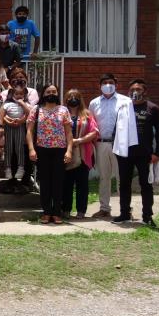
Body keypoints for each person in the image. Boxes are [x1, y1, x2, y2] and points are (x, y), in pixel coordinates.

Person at [114, 79, 159, 225]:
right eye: (132, 90)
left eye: (138, 89)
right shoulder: (124, 107)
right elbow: (117, 129)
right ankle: (124, 213)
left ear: (145, 92)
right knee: (124, 184)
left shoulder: (153, 108)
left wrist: (157, 153)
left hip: (144, 154)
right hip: (125, 153)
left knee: (146, 185)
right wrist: (116, 148)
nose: (135, 92)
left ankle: (147, 215)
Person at [88, 74, 138, 218]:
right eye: (104, 82)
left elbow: (130, 124)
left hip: (120, 144)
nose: (108, 85)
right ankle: (104, 208)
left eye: (111, 82)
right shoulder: (94, 103)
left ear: (116, 84)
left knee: (123, 176)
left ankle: (125, 209)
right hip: (101, 143)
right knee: (104, 177)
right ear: (100, 85)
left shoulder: (125, 101)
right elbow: (92, 124)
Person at [26, 84, 73, 224]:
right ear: (43, 94)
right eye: (48, 92)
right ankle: (46, 212)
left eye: (54, 91)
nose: (51, 93)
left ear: (58, 93)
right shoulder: (36, 109)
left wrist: (69, 150)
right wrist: (31, 149)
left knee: (58, 182)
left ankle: (57, 212)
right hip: (42, 150)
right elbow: (29, 131)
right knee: (45, 182)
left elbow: (69, 133)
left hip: (60, 150)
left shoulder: (63, 110)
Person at [61, 89, 98, 220]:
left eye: (75, 97)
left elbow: (94, 131)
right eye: (70, 97)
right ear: (66, 99)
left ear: (80, 99)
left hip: (83, 153)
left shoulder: (86, 114)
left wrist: (79, 140)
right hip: (67, 153)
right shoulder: (61, 113)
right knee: (67, 183)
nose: (72, 99)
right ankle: (66, 209)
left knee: (82, 184)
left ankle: (81, 210)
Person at [0, 86, 31, 184]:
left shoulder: (26, 104)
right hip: (8, 128)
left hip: (20, 127)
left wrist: (21, 120)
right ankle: (7, 168)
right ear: (12, 94)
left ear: (24, 95)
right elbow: (1, 115)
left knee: (19, 148)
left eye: (21, 94)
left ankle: (21, 168)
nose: (19, 96)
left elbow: (29, 114)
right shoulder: (7, 104)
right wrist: (7, 121)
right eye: (16, 94)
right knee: (8, 148)